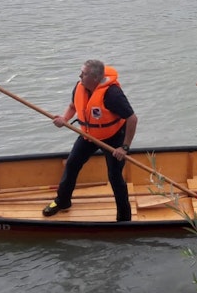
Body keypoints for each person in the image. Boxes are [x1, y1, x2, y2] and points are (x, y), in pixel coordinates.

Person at [43, 59, 138, 221]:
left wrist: (124, 147)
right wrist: (64, 119)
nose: (80, 75)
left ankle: (124, 218)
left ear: (95, 78)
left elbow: (132, 119)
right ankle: (62, 201)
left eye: (84, 74)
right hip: (89, 135)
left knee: (115, 176)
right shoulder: (80, 86)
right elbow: (73, 106)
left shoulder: (112, 94)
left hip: (113, 137)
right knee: (72, 164)